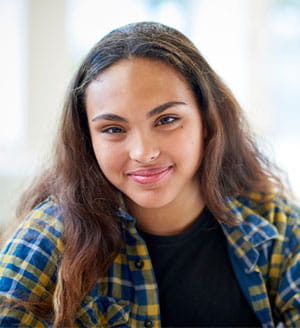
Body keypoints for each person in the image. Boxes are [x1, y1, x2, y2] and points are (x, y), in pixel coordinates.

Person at [0, 21, 299, 328]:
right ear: (87, 140)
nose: (143, 152)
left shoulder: (276, 226)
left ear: (208, 121)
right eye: (113, 129)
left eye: (167, 119)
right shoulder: (45, 244)